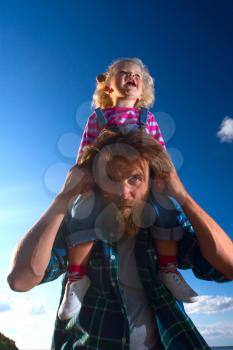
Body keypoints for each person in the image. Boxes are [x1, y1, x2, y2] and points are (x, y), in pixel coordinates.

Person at [7, 129, 233, 350]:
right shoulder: (76, 233)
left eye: (135, 178)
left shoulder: (166, 232)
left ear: (152, 182)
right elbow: (20, 280)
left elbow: (228, 267)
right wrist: (64, 197)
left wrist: (183, 197)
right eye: (110, 179)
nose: (124, 192)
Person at [57, 57, 198, 321]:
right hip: (103, 182)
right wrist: (82, 180)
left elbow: (160, 152)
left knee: (167, 208)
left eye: (137, 75)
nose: (131, 76)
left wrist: (164, 177)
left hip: (141, 183)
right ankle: (76, 278)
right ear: (108, 86)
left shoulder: (147, 117)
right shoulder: (98, 117)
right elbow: (86, 151)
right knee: (81, 210)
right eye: (123, 73)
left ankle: (168, 268)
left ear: (143, 89)